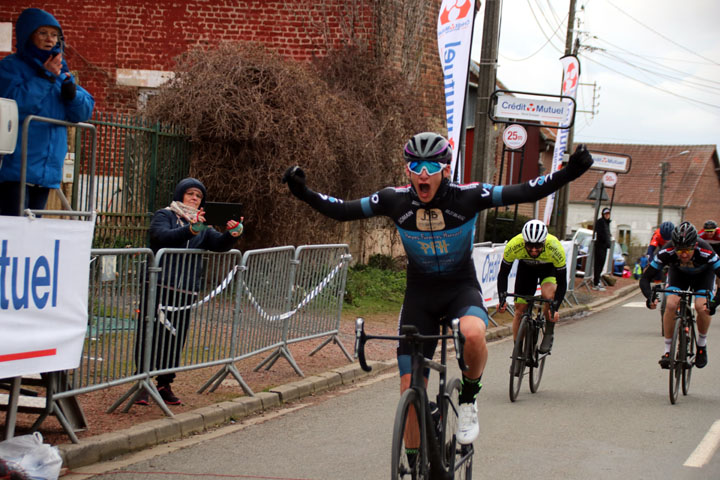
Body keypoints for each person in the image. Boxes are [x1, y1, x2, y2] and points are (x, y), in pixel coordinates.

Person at [281, 132, 593, 445]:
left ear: (446, 169)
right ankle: (416, 462)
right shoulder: (394, 200)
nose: (423, 173)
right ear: (408, 171)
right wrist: (304, 192)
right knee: (409, 389)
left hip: (460, 289)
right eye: (416, 165)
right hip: (420, 296)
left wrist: (571, 172)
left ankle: (469, 399)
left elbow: (524, 191)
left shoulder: (468, 196)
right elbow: (343, 209)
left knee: (473, 334)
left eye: (432, 166)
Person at [134, 178, 244, 406]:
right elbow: (162, 237)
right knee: (149, 333)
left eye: (198, 196)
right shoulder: (164, 215)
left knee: (174, 338)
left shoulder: (204, 224)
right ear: (180, 195)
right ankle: (141, 383)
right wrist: (189, 230)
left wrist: (233, 234)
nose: (194, 198)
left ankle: (164, 383)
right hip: (159, 285)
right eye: (190, 194)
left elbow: (218, 245)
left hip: (185, 290)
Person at [0, 8, 94, 215]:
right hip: (16, 168)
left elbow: (83, 112)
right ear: (28, 34)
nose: (49, 39)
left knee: (33, 232)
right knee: (12, 229)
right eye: (42, 33)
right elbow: (14, 104)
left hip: (47, 171)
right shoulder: (11, 67)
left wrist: (72, 95)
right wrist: (45, 78)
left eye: (54, 35)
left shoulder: (60, 70)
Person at [640, 222, 720, 370]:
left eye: (687, 250)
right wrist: (649, 296)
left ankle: (701, 345)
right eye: (679, 250)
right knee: (670, 304)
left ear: (694, 245)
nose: (683, 254)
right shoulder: (667, 251)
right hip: (679, 276)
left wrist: (714, 302)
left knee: (701, 307)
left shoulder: (706, 252)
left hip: (703, 277)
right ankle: (667, 351)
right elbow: (645, 278)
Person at [496, 219, 567, 355]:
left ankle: (549, 332)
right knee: (519, 310)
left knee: (548, 296)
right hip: (526, 269)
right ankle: (518, 349)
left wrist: (555, 307)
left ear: (544, 242)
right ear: (524, 242)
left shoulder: (556, 248)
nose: (534, 250)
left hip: (548, 269)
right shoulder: (514, 245)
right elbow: (503, 274)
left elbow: (562, 282)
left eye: (538, 246)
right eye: (529, 246)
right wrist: (502, 299)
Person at [592, 207, 612, 290]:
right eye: (606, 214)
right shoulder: (600, 222)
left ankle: (598, 281)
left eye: (608, 214)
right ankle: (596, 282)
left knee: (601, 265)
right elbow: (600, 233)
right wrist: (604, 240)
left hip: (604, 247)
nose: (607, 215)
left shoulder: (607, 223)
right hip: (600, 246)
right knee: (598, 265)